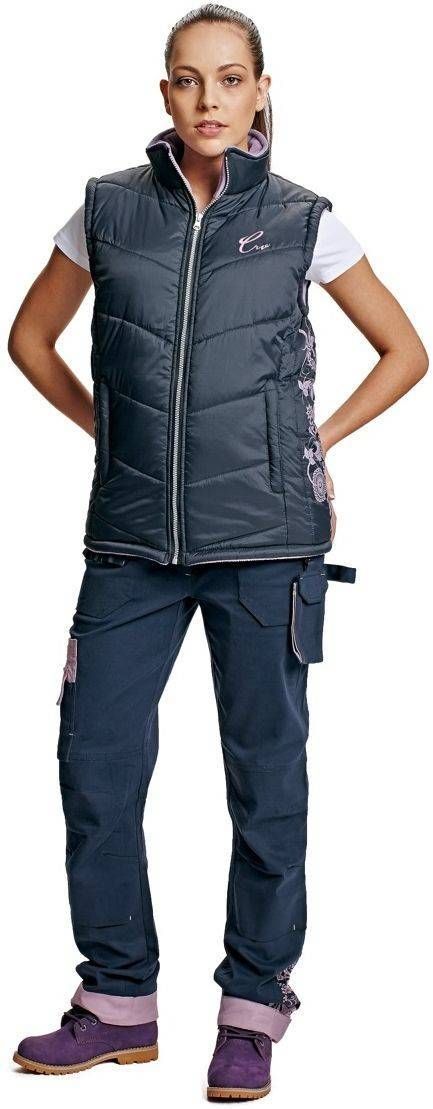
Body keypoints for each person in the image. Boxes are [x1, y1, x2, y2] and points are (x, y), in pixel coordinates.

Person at [7, 3, 428, 1097]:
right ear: (165, 94)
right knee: (95, 765)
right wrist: (112, 432)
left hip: (267, 539)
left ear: (259, 92)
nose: (208, 99)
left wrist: (316, 441)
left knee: (265, 778)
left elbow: (404, 350)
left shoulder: (301, 218)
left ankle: (251, 1006)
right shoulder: (106, 209)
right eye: (188, 79)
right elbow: (29, 339)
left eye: (229, 79)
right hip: (130, 540)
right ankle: (117, 1000)